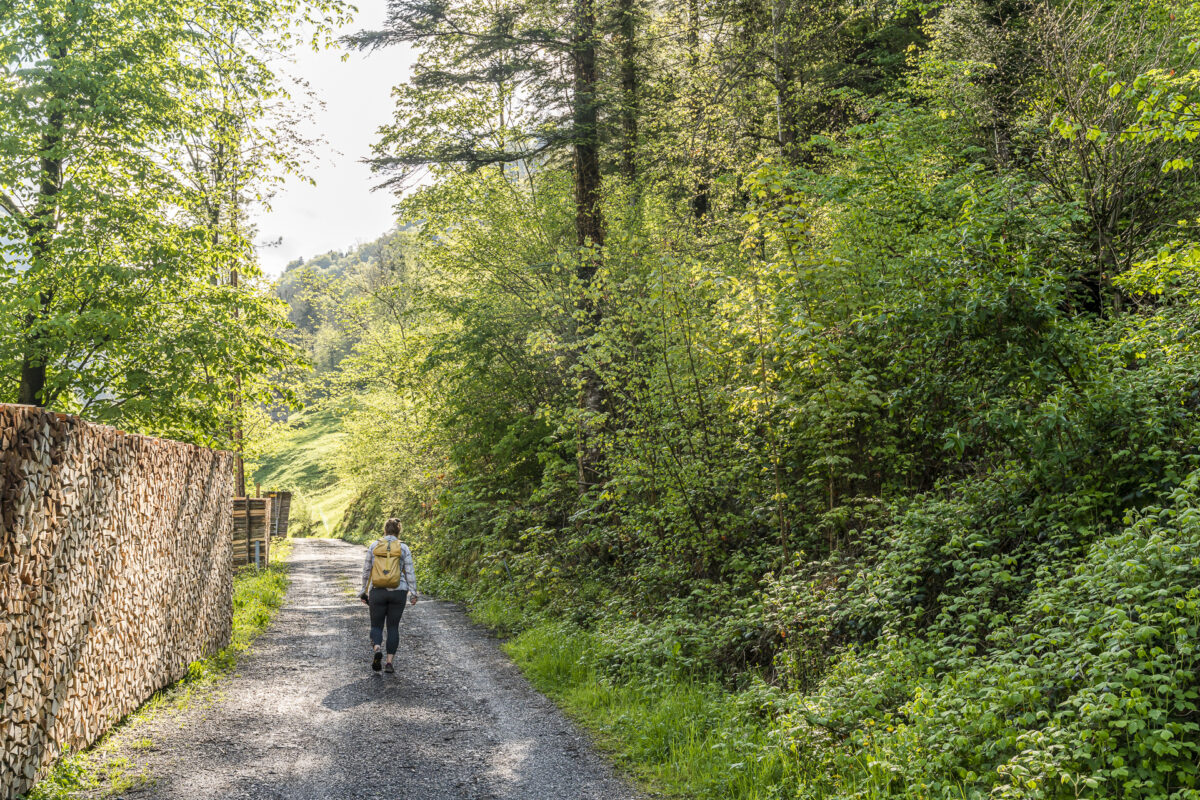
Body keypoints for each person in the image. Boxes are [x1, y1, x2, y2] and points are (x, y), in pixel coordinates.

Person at [360, 518, 418, 673]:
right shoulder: (403, 548)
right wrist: (414, 592)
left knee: (376, 625)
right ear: (399, 531)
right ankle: (389, 663)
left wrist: (363, 591)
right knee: (393, 627)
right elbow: (410, 572)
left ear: (384, 530)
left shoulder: (374, 546)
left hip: (377, 590)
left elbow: (367, 570)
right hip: (398, 592)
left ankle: (377, 648)